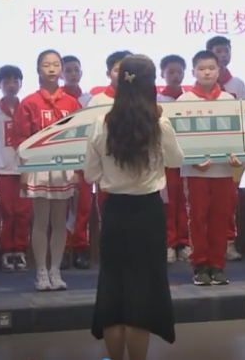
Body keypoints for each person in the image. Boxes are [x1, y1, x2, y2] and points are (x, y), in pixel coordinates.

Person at [84, 54, 181, 360]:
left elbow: (90, 175)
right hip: (148, 213)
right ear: (151, 84)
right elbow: (176, 160)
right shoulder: (159, 122)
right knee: (142, 293)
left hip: (114, 212)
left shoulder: (101, 123)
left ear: (120, 83)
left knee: (113, 290)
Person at [13, 50, 80, 291]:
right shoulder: (29, 102)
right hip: (38, 166)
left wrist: (77, 168)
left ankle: (55, 270)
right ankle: (41, 271)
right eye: (46, 65)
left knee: (60, 222)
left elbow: (77, 137)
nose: (51, 69)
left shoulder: (71, 102)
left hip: (63, 165)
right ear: (38, 69)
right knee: (41, 221)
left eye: (55, 64)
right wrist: (25, 169)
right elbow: (21, 137)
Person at [180, 50, 242, 285]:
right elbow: (176, 139)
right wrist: (190, 159)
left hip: (223, 170)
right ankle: (200, 265)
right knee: (197, 218)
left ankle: (217, 264)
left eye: (211, 68)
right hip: (194, 171)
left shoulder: (229, 100)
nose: (207, 72)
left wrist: (238, 156)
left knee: (220, 218)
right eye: (202, 68)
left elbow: (238, 136)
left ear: (219, 71)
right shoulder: (184, 101)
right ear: (193, 71)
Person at [71, 50, 131, 270]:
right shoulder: (98, 101)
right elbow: (89, 137)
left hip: (135, 169)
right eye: (117, 70)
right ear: (108, 73)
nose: (123, 74)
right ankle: (106, 256)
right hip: (107, 169)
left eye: (128, 70)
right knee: (107, 214)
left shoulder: (142, 97)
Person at [206, 36, 245, 262]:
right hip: (207, 150)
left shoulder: (237, 84)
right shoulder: (202, 83)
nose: (222, 55)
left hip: (232, 151)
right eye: (218, 51)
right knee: (206, 201)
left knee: (229, 199)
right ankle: (206, 245)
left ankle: (228, 242)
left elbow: (244, 116)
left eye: (226, 51)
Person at [0, 65, 31, 273]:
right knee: (5, 212)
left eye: (15, 81)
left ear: (21, 84)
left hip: (24, 170)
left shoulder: (28, 110)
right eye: (6, 82)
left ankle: (20, 250)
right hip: (2, 170)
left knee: (23, 213)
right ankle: (6, 251)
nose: (11, 85)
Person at [156, 54, 189, 263]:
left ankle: (184, 243)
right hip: (165, 161)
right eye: (171, 72)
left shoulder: (189, 99)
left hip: (187, 159)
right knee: (168, 204)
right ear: (162, 74)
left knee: (185, 203)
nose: (175, 76)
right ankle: (169, 243)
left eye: (179, 72)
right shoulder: (157, 101)